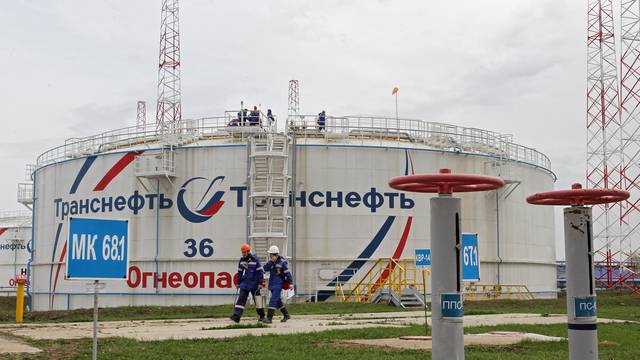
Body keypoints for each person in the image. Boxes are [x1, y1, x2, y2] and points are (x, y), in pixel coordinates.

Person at [230, 244, 266, 323]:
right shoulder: (242, 260)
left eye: (244, 252)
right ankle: (236, 317)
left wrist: (260, 283)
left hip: (254, 284)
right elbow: (239, 272)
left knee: (258, 301)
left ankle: (262, 316)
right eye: (242, 252)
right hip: (245, 284)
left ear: (248, 251)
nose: (243, 254)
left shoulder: (255, 259)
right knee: (241, 300)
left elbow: (260, 272)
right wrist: (238, 283)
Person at [262, 245, 293, 323]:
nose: (270, 256)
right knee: (278, 301)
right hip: (272, 284)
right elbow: (264, 268)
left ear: (275, 255)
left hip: (278, 284)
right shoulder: (271, 262)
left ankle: (269, 318)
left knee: (273, 300)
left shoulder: (282, 263)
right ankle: (286, 315)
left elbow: (287, 273)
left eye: (271, 255)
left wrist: (291, 282)